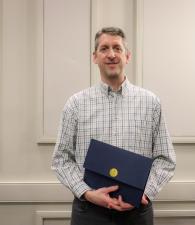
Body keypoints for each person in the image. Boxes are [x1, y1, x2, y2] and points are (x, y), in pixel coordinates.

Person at [52, 27, 176, 225]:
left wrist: (146, 192)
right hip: (89, 212)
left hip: (137, 212)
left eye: (117, 48)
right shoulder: (75, 104)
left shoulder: (151, 103)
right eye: (104, 49)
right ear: (94, 57)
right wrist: (88, 193)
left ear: (127, 56)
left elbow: (165, 159)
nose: (111, 54)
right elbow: (61, 159)